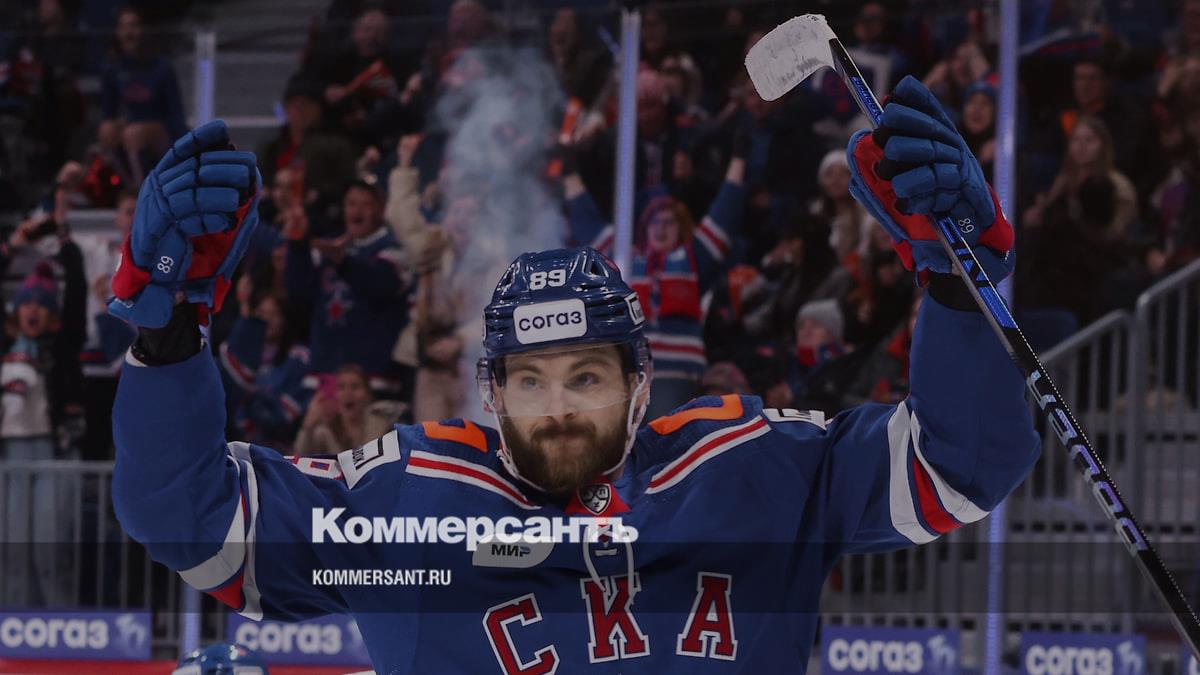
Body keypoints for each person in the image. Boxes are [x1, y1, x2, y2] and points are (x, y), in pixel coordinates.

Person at [110, 76, 1037, 672]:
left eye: (586, 376)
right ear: (491, 393)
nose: (556, 407)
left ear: (640, 383)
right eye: (530, 381)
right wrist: (169, 336)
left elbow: (963, 463)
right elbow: (185, 516)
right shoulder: (406, 496)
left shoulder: (753, 464)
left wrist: (959, 287)